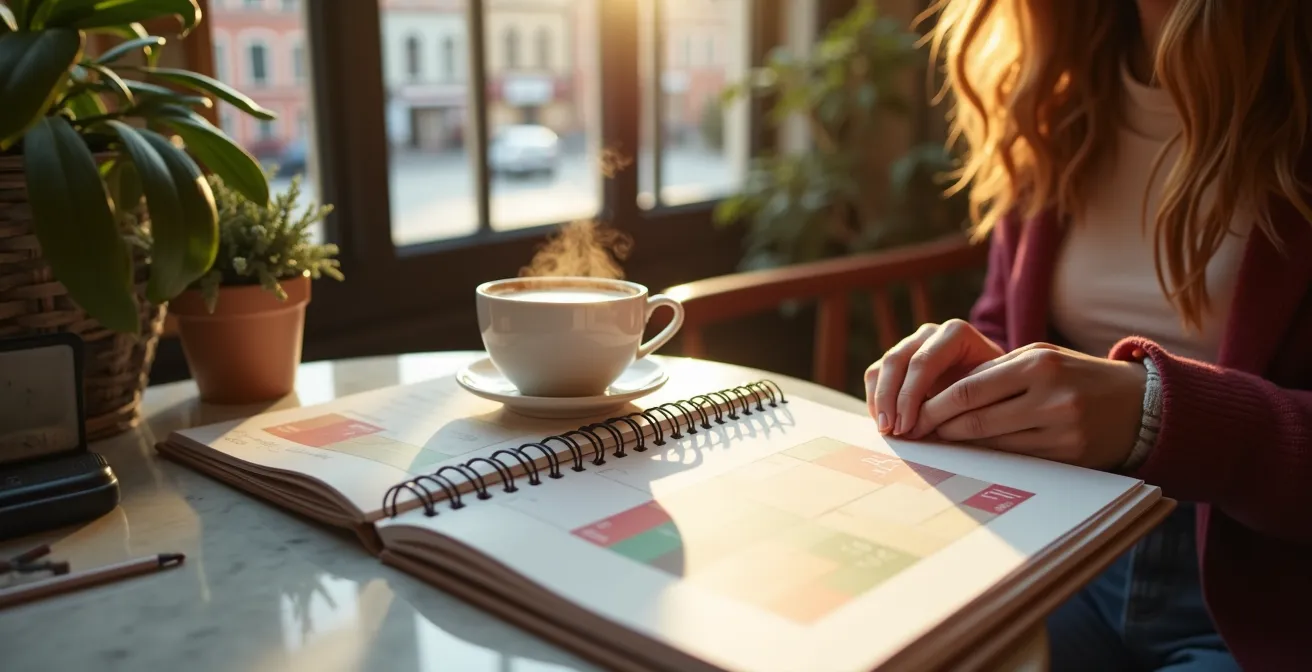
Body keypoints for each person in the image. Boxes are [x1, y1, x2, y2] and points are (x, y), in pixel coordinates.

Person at [863, 0, 1312, 669]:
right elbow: (1008, 321)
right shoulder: (1055, 94)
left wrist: (1157, 416)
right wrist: (976, 370)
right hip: (1060, 552)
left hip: (1267, 601)